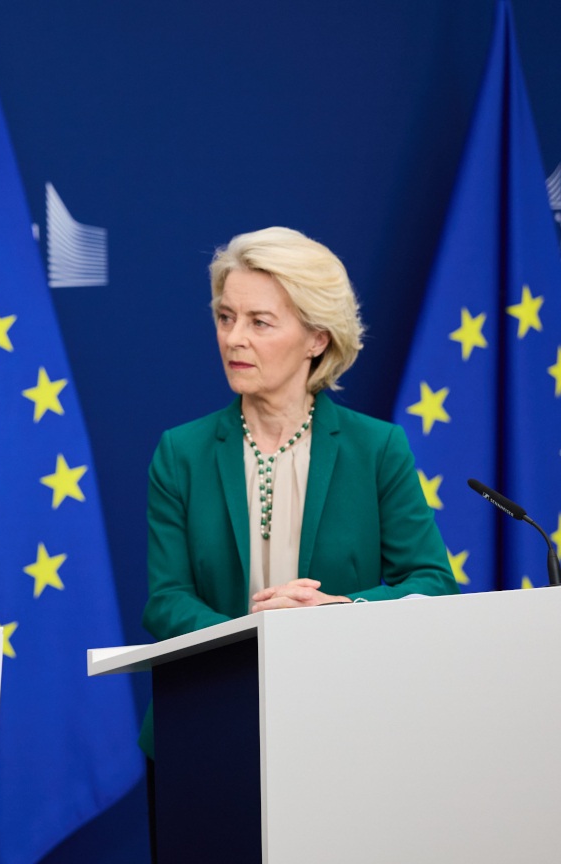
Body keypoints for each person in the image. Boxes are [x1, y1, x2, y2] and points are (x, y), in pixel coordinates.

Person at [139, 226, 458, 860]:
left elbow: (432, 581)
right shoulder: (182, 452)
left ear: (318, 338)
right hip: (209, 726)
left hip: (347, 729)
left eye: (260, 322)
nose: (234, 338)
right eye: (226, 317)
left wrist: (339, 613)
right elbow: (165, 600)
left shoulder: (376, 449)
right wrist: (249, 627)